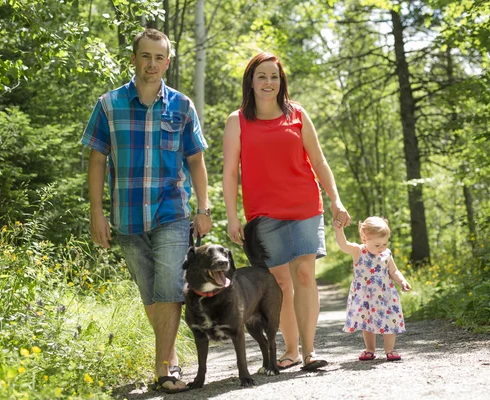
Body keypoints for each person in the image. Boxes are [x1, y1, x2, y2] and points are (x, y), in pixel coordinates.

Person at [81, 28, 212, 393]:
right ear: (134, 59)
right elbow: (96, 160)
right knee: (150, 294)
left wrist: (203, 207)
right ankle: (168, 358)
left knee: (170, 289)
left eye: (159, 57)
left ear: (167, 62)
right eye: (146, 56)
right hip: (127, 217)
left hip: (172, 212)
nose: (152, 63)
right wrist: (97, 212)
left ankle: (163, 371)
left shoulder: (182, 106)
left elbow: (196, 161)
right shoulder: (109, 104)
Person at [222, 52, 351, 371]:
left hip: (305, 205)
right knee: (280, 284)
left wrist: (335, 198)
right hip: (263, 215)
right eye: (262, 76)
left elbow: (319, 161)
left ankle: (309, 352)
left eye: (274, 77)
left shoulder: (297, 115)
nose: (268, 82)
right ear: (250, 81)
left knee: (305, 274)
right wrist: (233, 215)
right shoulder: (237, 121)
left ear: (282, 82)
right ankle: (290, 350)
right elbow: (230, 173)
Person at [334, 216, 411, 361]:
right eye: (377, 245)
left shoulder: (386, 253)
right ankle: (370, 349)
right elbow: (343, 244)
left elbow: (393, 271)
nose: (381, 248)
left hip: (385, 295)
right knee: (367, 323)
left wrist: (402, 281)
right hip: (366, 297)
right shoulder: (359, 251)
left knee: (390, 321)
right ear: (364, 239)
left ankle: (390, 350)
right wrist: (339, 230)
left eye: (384, 244)